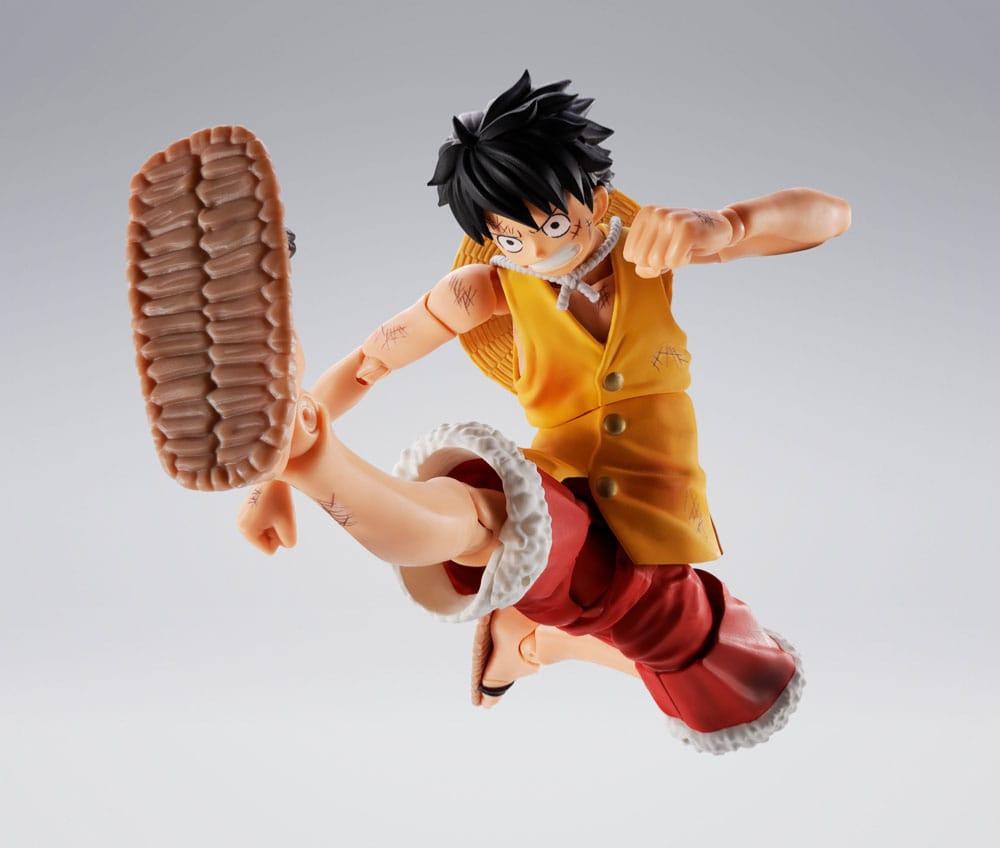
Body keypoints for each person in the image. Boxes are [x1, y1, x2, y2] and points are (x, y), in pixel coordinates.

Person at [129, 71, 850, 754]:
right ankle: (311, 456)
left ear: (597, 198)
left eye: (553, 224)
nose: (533, 250)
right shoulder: (487, 288)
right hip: (560, 478)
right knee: (495, 522)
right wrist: (271, 478)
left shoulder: (651, 252)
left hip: (659, 504)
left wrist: (727, 224)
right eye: (510, 237)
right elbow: (370, 362)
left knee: (714, 669)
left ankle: (530, 640)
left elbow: (829, 216)